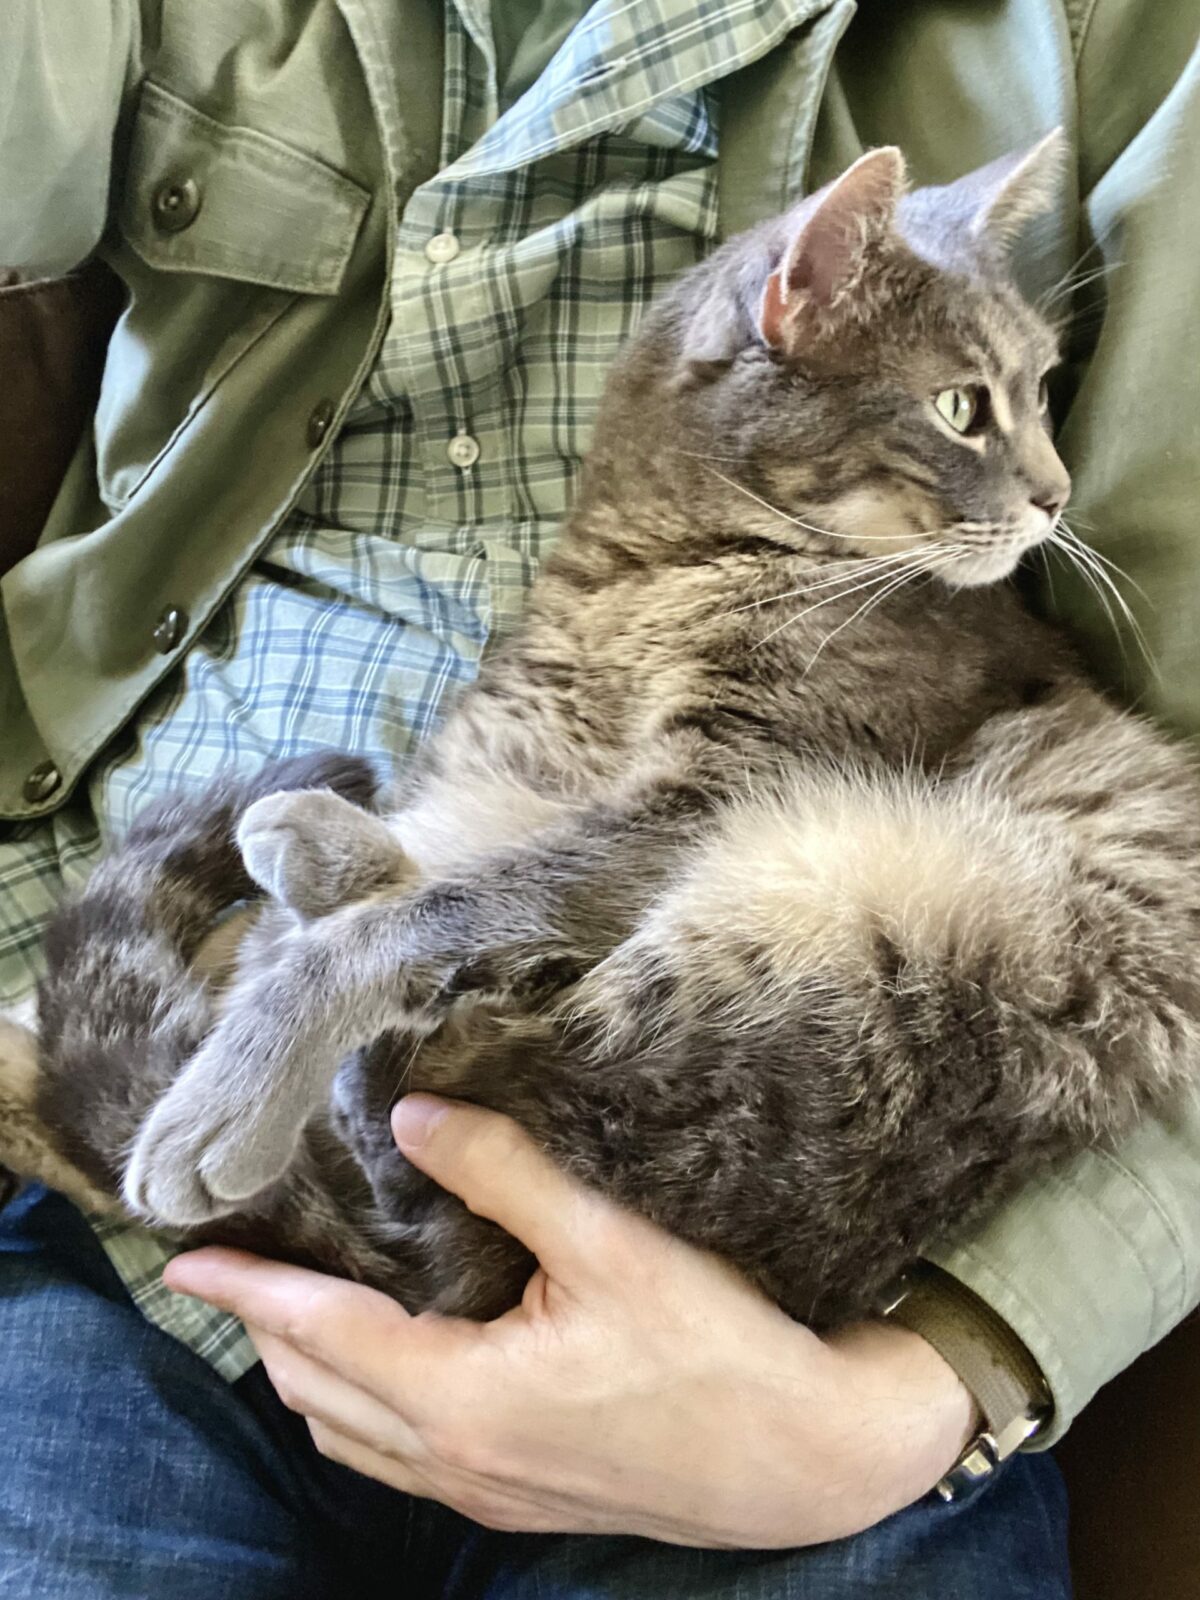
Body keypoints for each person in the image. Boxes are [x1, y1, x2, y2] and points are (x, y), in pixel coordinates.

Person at [1, 1, 1197, 1594]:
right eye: (992, 417)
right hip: (170, 1224)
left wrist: (919, 1392)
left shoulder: (1114, 46)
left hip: (765, 1317)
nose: (1046, 489)